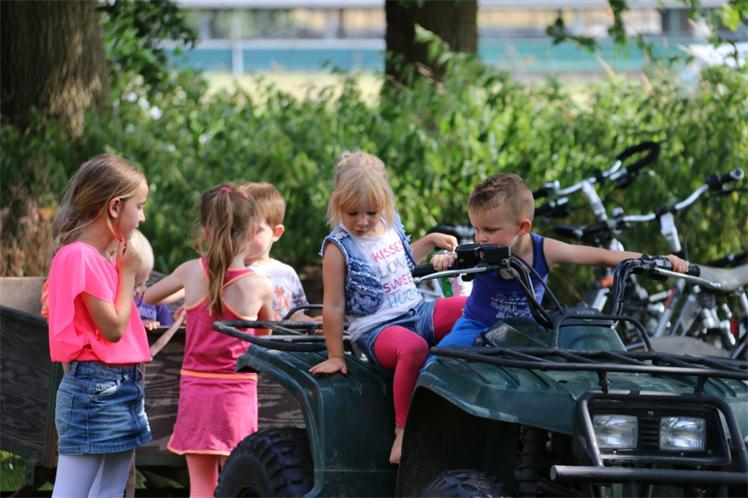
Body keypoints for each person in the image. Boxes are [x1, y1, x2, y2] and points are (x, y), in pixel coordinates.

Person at [308, 152, 468, 464]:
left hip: (417, 312)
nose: (363, 221)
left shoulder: (388, 224)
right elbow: (334, 305)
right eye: (353, 213)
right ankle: (403, 431)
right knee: (413, 348)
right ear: (337, 204)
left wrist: (430, 240)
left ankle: (464, 387)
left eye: (371, 212)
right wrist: (336, 355)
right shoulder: (338, 247)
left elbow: (401, 262)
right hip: (378, 330)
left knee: (470, 309)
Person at [429, 172, 689, 353]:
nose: (480, 237)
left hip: (523, 333)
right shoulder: (478, 251)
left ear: (522, 227)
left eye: (490, 230)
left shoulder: (543, 249)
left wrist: (654, 260)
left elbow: (601, 256)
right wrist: (445, 259)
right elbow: (455, 258)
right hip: (476, 325)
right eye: (476, 229)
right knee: (441, 362)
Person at [143, 183, 273, 498]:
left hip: (196, 392)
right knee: (236, 484)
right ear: (251, 231)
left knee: (201, 488)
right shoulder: (259, 286)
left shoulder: (191, 272)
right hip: (236, 396)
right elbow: (266, 333)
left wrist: (190, 303)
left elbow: (149, 296)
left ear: (204, 232)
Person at [45, 154, 152, 498]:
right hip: (95, 389)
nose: (143, 217)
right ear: (115, 207)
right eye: (139, 206)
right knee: (72, 493)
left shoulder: (99, 260)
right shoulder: (79, 256)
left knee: (109, 491)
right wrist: (128, 274)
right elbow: (113, 329)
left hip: (121, 386)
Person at [239, 182, 317, 321]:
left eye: (256, 230)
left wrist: (312, 323)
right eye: (238, 229)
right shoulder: (228, 271)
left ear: (276, 232)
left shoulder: (286, 274)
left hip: (282, 335)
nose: (245, 236)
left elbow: (296, 316)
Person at [129, 229, 174, 330]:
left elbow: (168, 328)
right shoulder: (116, 303)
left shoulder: (156, 303)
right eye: (132, 286)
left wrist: (177, 320)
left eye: (141, 284)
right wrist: (139, 326)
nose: (137, 291)